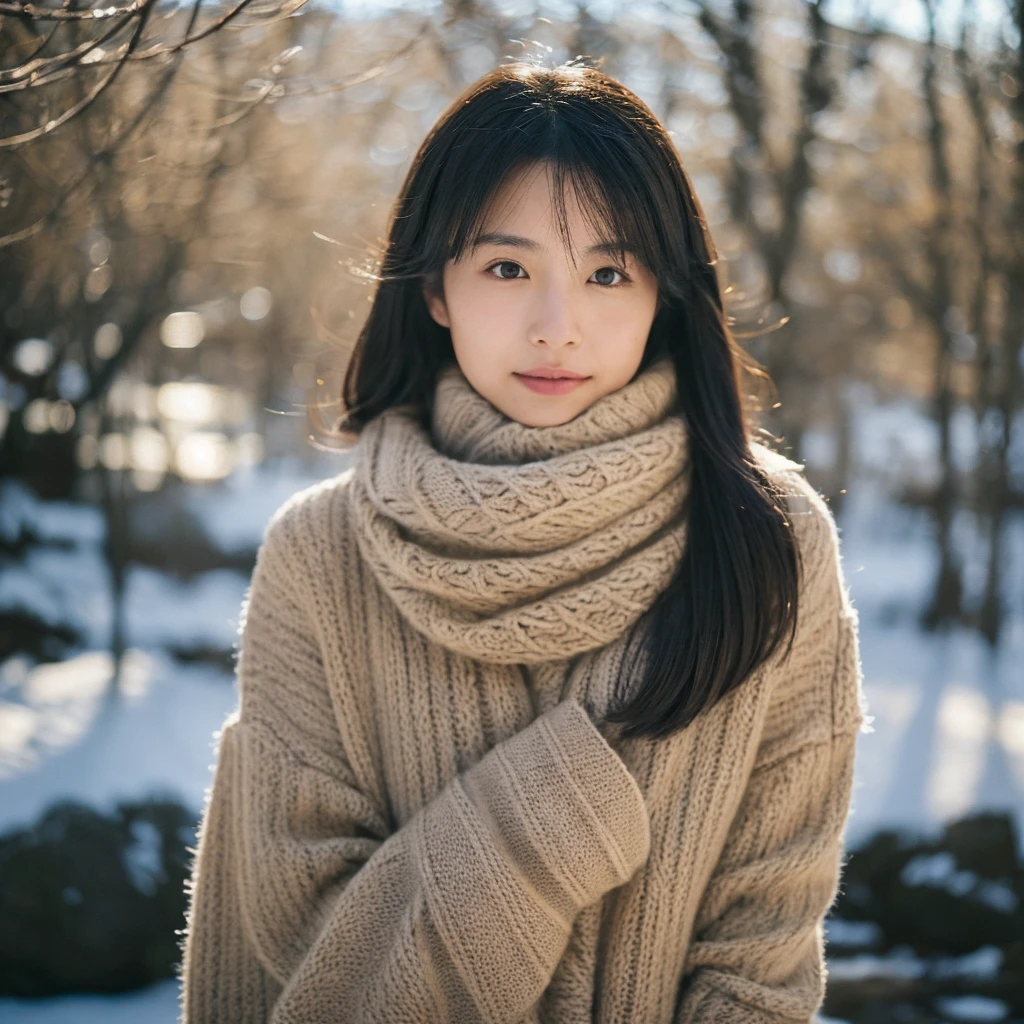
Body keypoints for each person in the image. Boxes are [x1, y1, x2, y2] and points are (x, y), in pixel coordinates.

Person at [177, 60, 869, 1024]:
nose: (559, 327)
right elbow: (306, 954)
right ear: (435, 288)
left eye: (607, 273)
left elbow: (763, 955)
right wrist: (539, 823)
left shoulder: (772, 541)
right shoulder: (319, 555)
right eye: (508, 268)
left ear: (663, 294)